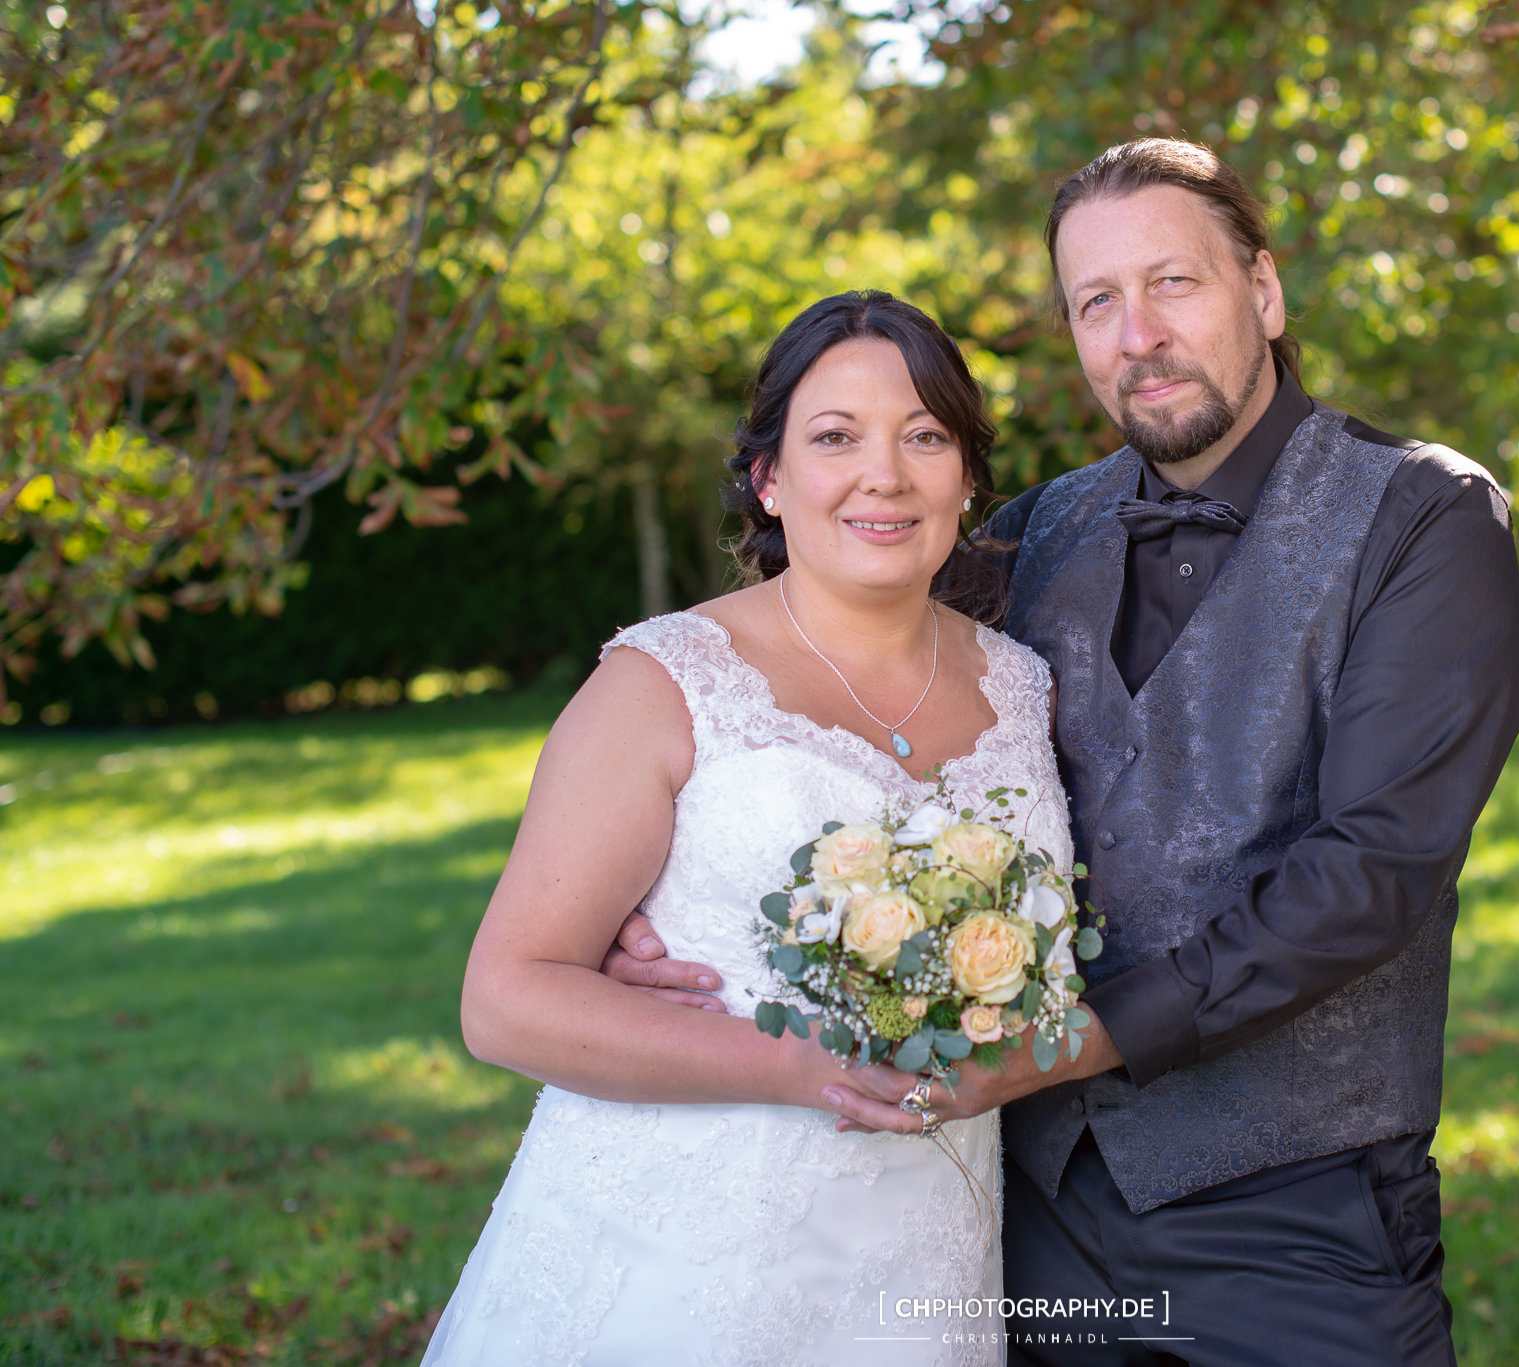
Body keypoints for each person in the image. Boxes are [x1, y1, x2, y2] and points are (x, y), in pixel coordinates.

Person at [612, 139, 1519, 1365]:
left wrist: (1073, 1040)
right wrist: (670, 894)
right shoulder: (1032, 531)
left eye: (1173, 284)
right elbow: (835, 685)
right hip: (1031, 1203)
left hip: (1296, 1209)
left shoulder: (1423, 516)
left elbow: (1373, 871)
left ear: (1262, 291)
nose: (1135, 333)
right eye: (1096, 301)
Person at [423, 290, 1083, 1366]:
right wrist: (802, 1065)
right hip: (679, 1249)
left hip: (923, 1251)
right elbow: (503, 999)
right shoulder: (663, 681)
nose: (885, 473)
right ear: (769, 480)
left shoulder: (1024, 687)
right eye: (835, 437)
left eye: (924, 435)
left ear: (966, 476)